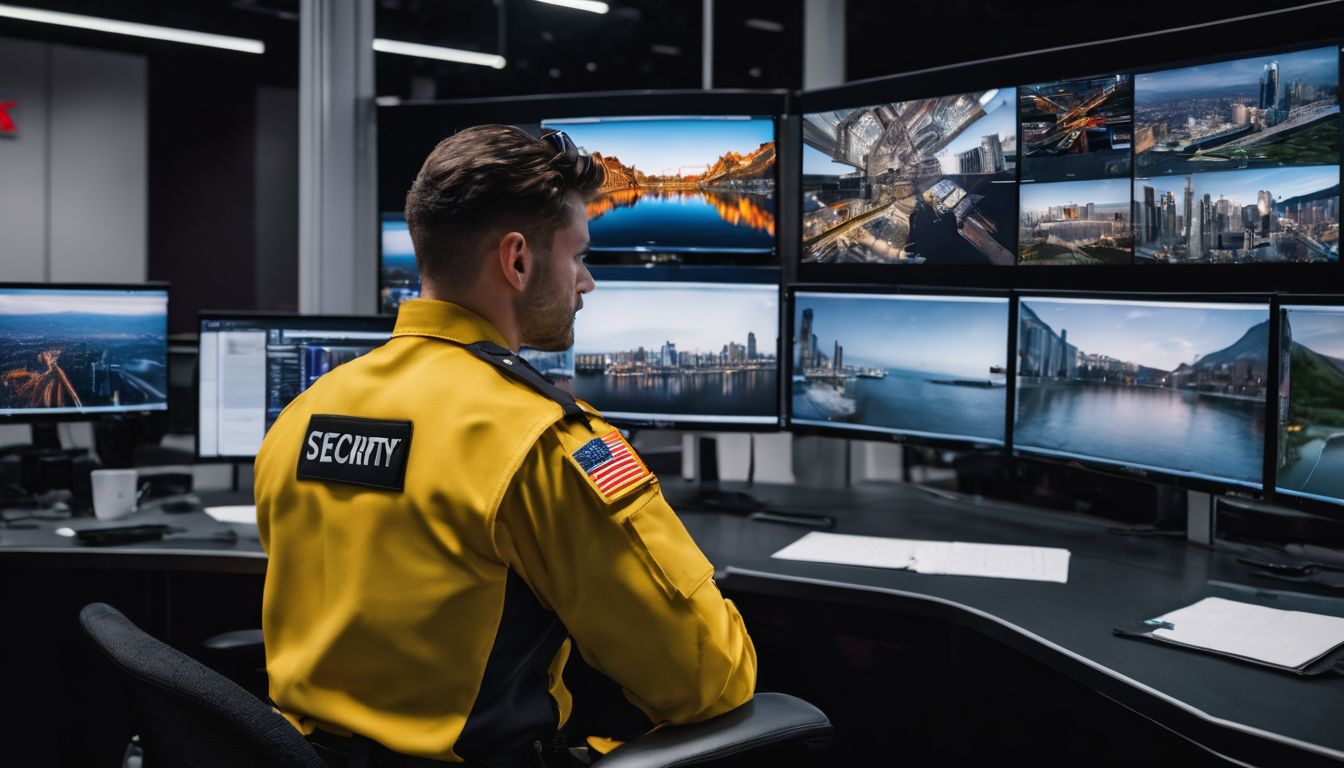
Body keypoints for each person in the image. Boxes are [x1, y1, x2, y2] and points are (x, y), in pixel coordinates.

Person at [254, 125, 757, 767]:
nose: (588, 282)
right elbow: (706, 681)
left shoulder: (304, 413)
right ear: (517, 260)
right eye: (579, 256)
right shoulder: (543, 441)